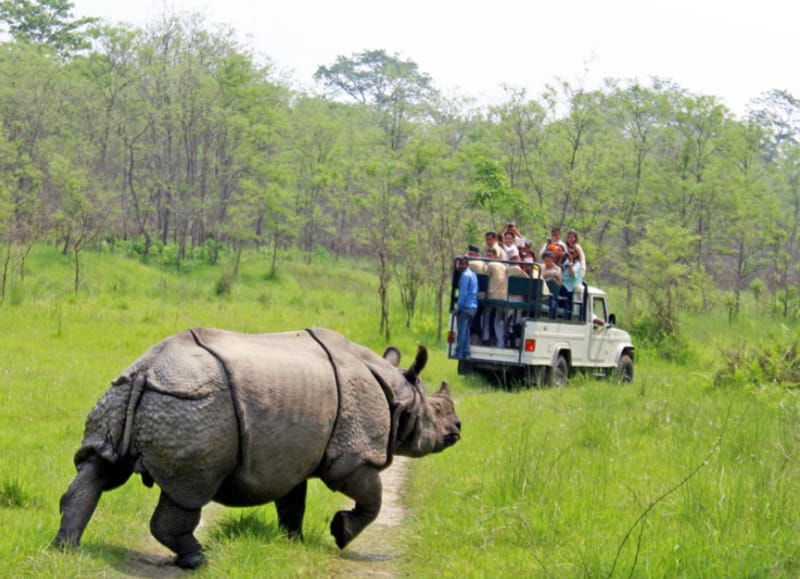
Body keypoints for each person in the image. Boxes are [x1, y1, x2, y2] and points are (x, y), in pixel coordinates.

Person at [482, 248, 508, 347]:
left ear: (495, 256)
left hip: (492, 296)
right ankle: (500, 342)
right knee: (498, 319)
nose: (488, 257)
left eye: (490, 256)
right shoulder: (504, 265)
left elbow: (483, 274)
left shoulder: (490, 265)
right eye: (487, 255)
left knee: (485, 315)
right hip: (503, 297)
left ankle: (485, 337)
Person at [453, 256, 478, 359]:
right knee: (467, 330)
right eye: (459, 263)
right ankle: (466, 353)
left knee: (462, 331)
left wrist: (458, 309)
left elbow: (463, 294)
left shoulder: (465, 276)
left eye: (463, 264)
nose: (460, 266)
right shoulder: (473, 274)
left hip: (466, 307)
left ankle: (459, 353)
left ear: (467, 264)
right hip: (473, 307)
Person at [560, 247, 584, 319]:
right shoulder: (566, 261)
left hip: (569, 289)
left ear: (577, 254)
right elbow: (560, 268)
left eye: (572, 253)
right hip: (562, 285)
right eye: (569, 252)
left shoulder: (578, 264)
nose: (570, 254)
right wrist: (562, 258)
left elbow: (571, 274)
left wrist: (570, 261)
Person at [541, 251, 561, 315]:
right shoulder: (541, 267)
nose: (547, 263)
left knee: (553, 305)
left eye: (549, 261)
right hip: (542, 293)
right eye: (546, 261)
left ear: (552, 260)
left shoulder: (557, 269)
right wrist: (544, 276)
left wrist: (557, 277)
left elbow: (560, 284)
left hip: (552, 295)